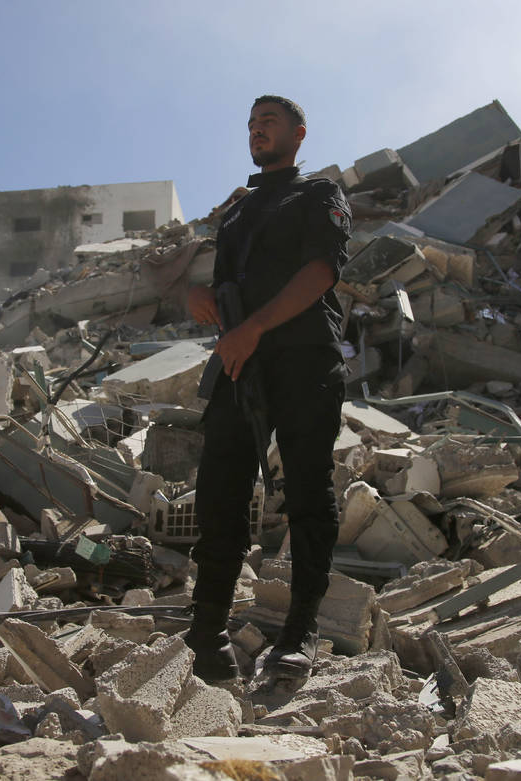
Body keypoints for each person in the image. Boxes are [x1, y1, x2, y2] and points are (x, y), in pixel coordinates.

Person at [185, 95, 352, 682]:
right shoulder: (237, 211)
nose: (257, 130)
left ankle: (298, 634)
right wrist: (200, 300)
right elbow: (219, 284)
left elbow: (320, 272)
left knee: (308, 493)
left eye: (269, 122)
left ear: (299, 134)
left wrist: (254, 327)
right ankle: (206, 638)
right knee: (219, 496)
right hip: (240, 365)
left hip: (304, 360)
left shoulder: (318, 194)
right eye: (252, 123)